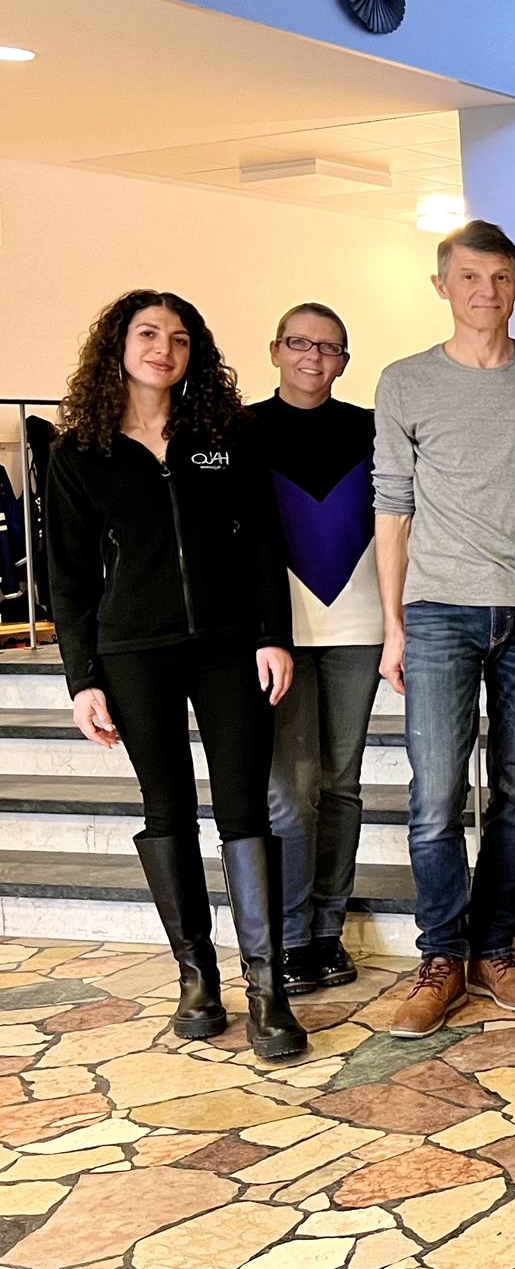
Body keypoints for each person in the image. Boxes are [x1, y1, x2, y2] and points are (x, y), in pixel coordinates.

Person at [44, 291, 306, 1061]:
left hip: (229, 647)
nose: (164, 348)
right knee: (166, 810)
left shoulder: (223, 436)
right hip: (133, 652)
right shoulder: (79, 452)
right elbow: (68, 578)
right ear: (118, 346)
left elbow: (263, 542)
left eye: (180, 338)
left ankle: (268, 990)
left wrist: (273, 636)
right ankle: (197, 979)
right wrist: (82, 678)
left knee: (244, 810)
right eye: (149, 333)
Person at [375, 221, 515, 1038]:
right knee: (435, 799)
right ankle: (440, 959)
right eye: (468, 277)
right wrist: (393, 625)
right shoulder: (406, 381)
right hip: (437, 614)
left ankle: (495, 948)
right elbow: (393, 507)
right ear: (442, 286)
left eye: (499, 277)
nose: (484, 292)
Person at [248, 304, 380, 998]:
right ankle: (291, 936)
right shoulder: (240, 429)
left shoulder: (370, 428)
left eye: (329, 347)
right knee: (290, 795)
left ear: (344, 361)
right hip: (278, 638)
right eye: (299, 343)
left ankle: (328, 931)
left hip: (359, 628)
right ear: (276, 349)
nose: (313, 357)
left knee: (342, 785)